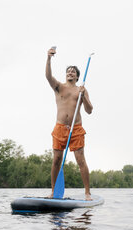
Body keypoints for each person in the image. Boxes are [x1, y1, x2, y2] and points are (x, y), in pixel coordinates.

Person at [45, 47, 93, 201]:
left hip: (76, 128)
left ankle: (87, 193)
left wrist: (83, 96)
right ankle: (53, 192)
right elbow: (48, 76)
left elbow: (89, 110)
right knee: (56, 160)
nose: (70, 72)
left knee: (81, 160)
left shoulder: (82, 90)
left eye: (73, 71)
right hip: (59, 128)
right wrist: (48, 58)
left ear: (78, 76)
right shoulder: (59, 86)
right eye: (68, 71)